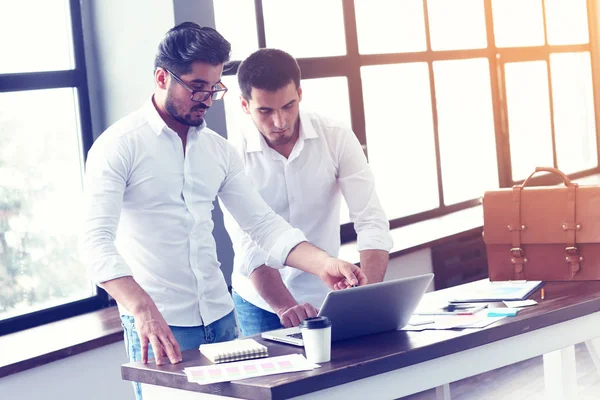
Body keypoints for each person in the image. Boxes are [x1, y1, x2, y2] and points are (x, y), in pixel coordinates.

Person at [82, 23, 366, 400]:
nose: (207, 99)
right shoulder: (117, 147)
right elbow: (94, 244)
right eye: (197, 87)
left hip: (222, 319)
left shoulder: (218, 151)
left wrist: (324, 263)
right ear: (162, 78)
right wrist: (141, 307)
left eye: (214, 88)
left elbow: (263, 225)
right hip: (160, 325)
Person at [223, 48, 393, 336]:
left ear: (300, 93)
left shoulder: (335, 136)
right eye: (265, 111)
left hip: (325, 294)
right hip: (261, 301)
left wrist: (367, 298)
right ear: (243, 105)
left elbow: (371, 220)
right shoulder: (230, 153)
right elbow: (249, 246)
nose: (280, 122)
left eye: (288, 106)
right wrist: (286, 306)